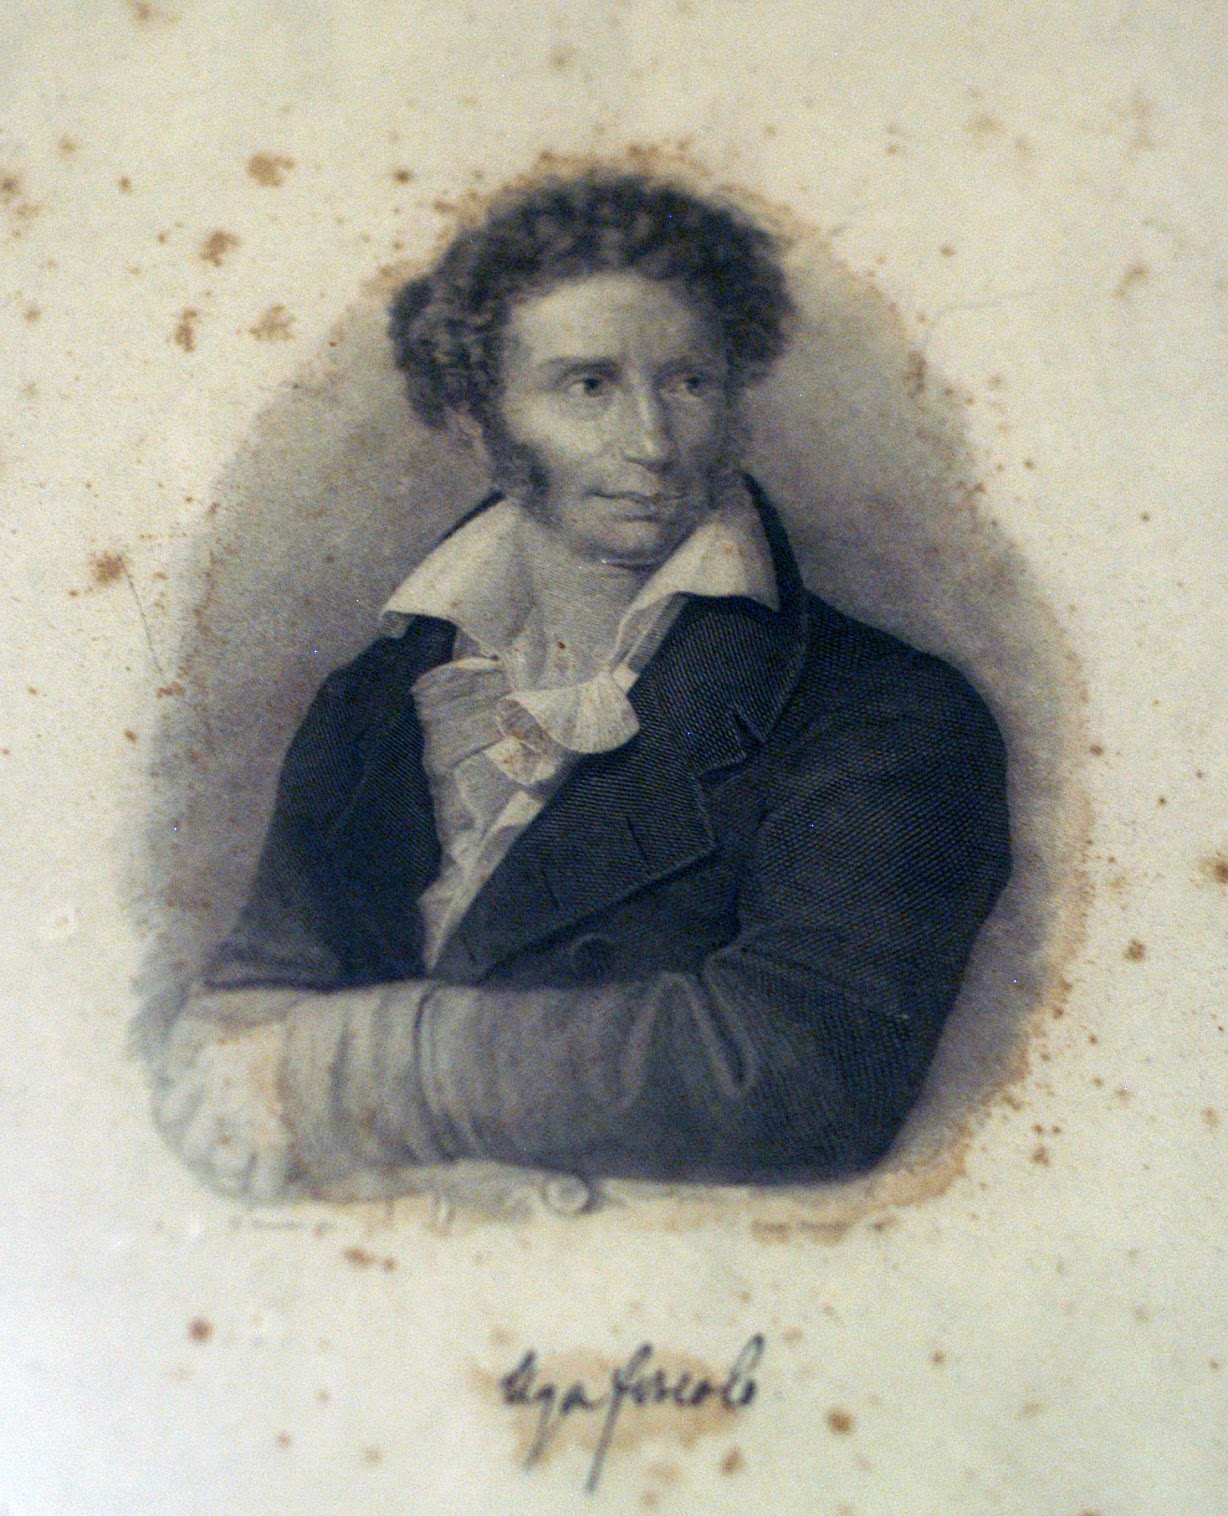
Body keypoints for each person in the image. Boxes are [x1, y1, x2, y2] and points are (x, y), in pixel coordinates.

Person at [154, 171, 1011, 1202]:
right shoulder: (379, 696)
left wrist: (354, 1067)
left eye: (687, 383)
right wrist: (224, 1076)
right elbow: (259, 991)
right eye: (589, 387)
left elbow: (799, 1071)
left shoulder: (889, 714)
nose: (651, 442)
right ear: (477, 421)